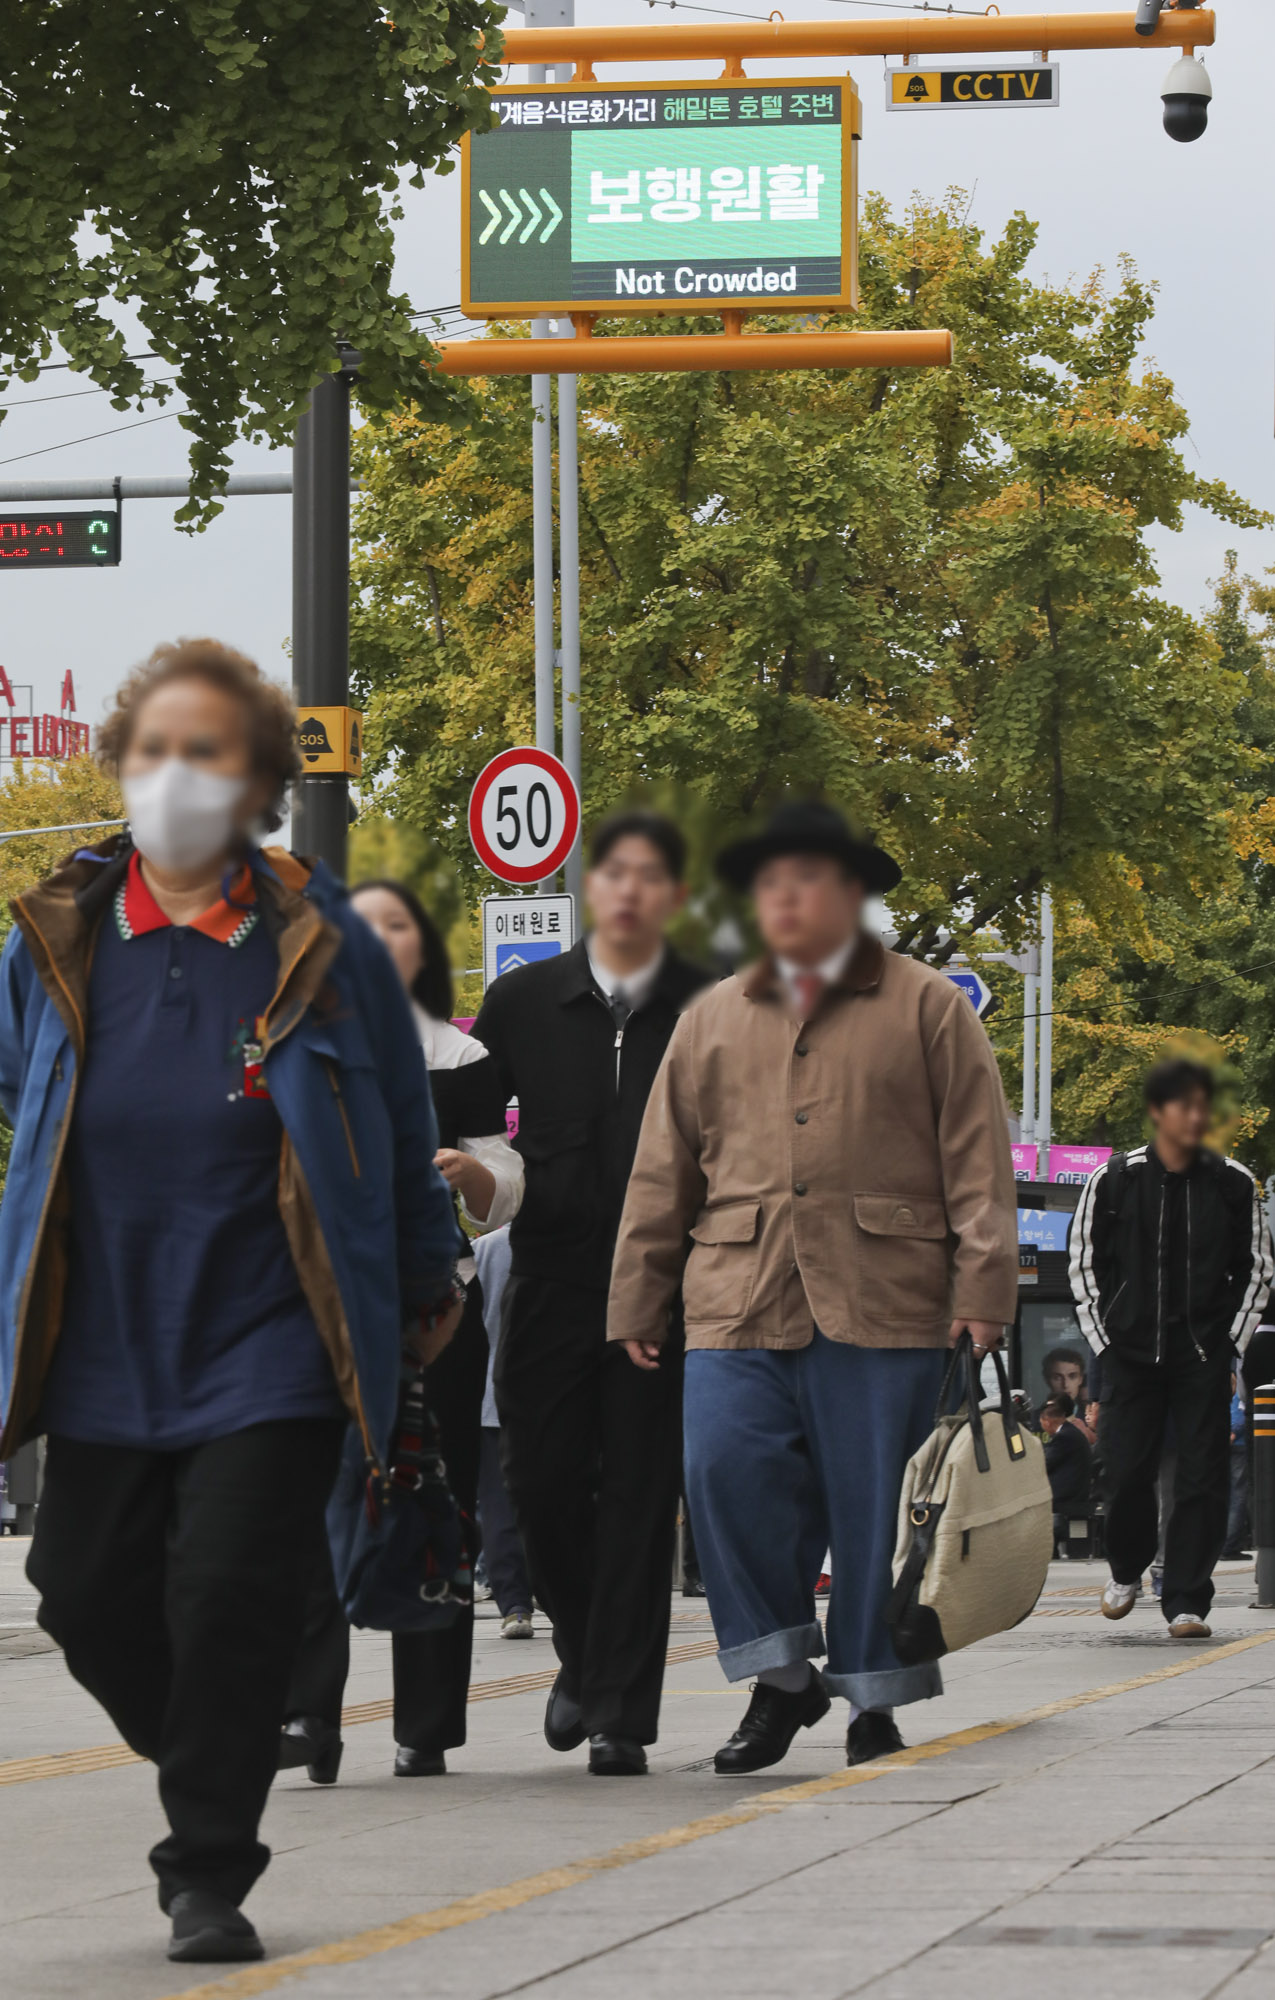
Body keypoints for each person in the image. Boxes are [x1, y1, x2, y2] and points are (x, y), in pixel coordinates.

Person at [0, 641, 461, 1965]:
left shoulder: (323, 946)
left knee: (227, 1596)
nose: (173, 777)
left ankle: (207, 1865)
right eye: (151, 750)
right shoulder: (52, 938)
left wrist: (425, 1279)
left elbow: (393, 1113)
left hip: (271, 1330)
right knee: (78, 1592)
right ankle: (219, 1732)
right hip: (102, 1333)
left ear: (258, 777)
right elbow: (20, 1092)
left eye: (206, 752)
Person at [608, 799, 1019, 1775]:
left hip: (889, 1293)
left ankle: (876, 1697)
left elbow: (977, 1160)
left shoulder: (928, 1005)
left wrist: (985, 1286)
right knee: (722, 1469)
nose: (784, 897)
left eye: (807, 879)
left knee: (878, 1507)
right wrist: (636, 1293)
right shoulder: (712, 1015)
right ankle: (784, 1675)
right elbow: (663, 1168)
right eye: (770, 882)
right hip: (735, 1291)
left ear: (851, 893)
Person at [473, 809, 710, 1775]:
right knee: (541, 1483)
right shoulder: (522, 1002)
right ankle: (583, 1651)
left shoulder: (714, 1005)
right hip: (551, 1278)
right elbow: (472, 1131)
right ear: (590, 886)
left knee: (641, 1500)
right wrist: (478, 1185)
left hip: (669, 1289)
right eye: (612, 872)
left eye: (650, 875)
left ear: (674, 897)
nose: (627, 890)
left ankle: (619, 1713)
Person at [282, 879, 524, 1775]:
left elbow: (506, 1186)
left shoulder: (458, 1056)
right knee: (307, 1502)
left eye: (394, 928)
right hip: (313, 1306)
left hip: (433, 1313)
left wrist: (467, 1172)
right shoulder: (289, 1039)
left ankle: (425, 1725)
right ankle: (309, 1717)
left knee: (435, 1498)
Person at [1069, 1057, 1273, 1639]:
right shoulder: (1114, 1180)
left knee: (1203, 1477)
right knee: (1125, 1471)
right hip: (1129, 1353)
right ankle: (1127, 1568)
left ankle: (1186, 1599)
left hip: (1202, 1354)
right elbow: (1084, 1263)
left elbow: (1256, 1269)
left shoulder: (1235, 1183)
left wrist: (1230, 1341)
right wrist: (1105, 1342)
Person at [473, 1224, 536, 1637]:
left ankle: (514, 1604)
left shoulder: (483, 1249)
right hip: (544, 1397)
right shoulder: (561, 1240)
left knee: (497, 1508)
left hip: (489, 1396)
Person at [1039, 1394, 1093, 1551]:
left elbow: (1045, 1464)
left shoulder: (1063, 1437)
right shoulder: (1070, 1433)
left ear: (1048, 1421)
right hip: (1076, 1490)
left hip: (1068, 1494)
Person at [1221, 1373, 1251, 1561]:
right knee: (1238, 1495)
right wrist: (1233, 1432)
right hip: (1238, 1442)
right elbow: (1239, 1412)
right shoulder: (1239, 1380)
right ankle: (1229, 1545)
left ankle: (1225, 1542)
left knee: (1230, 1493)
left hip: (1227, 1442)